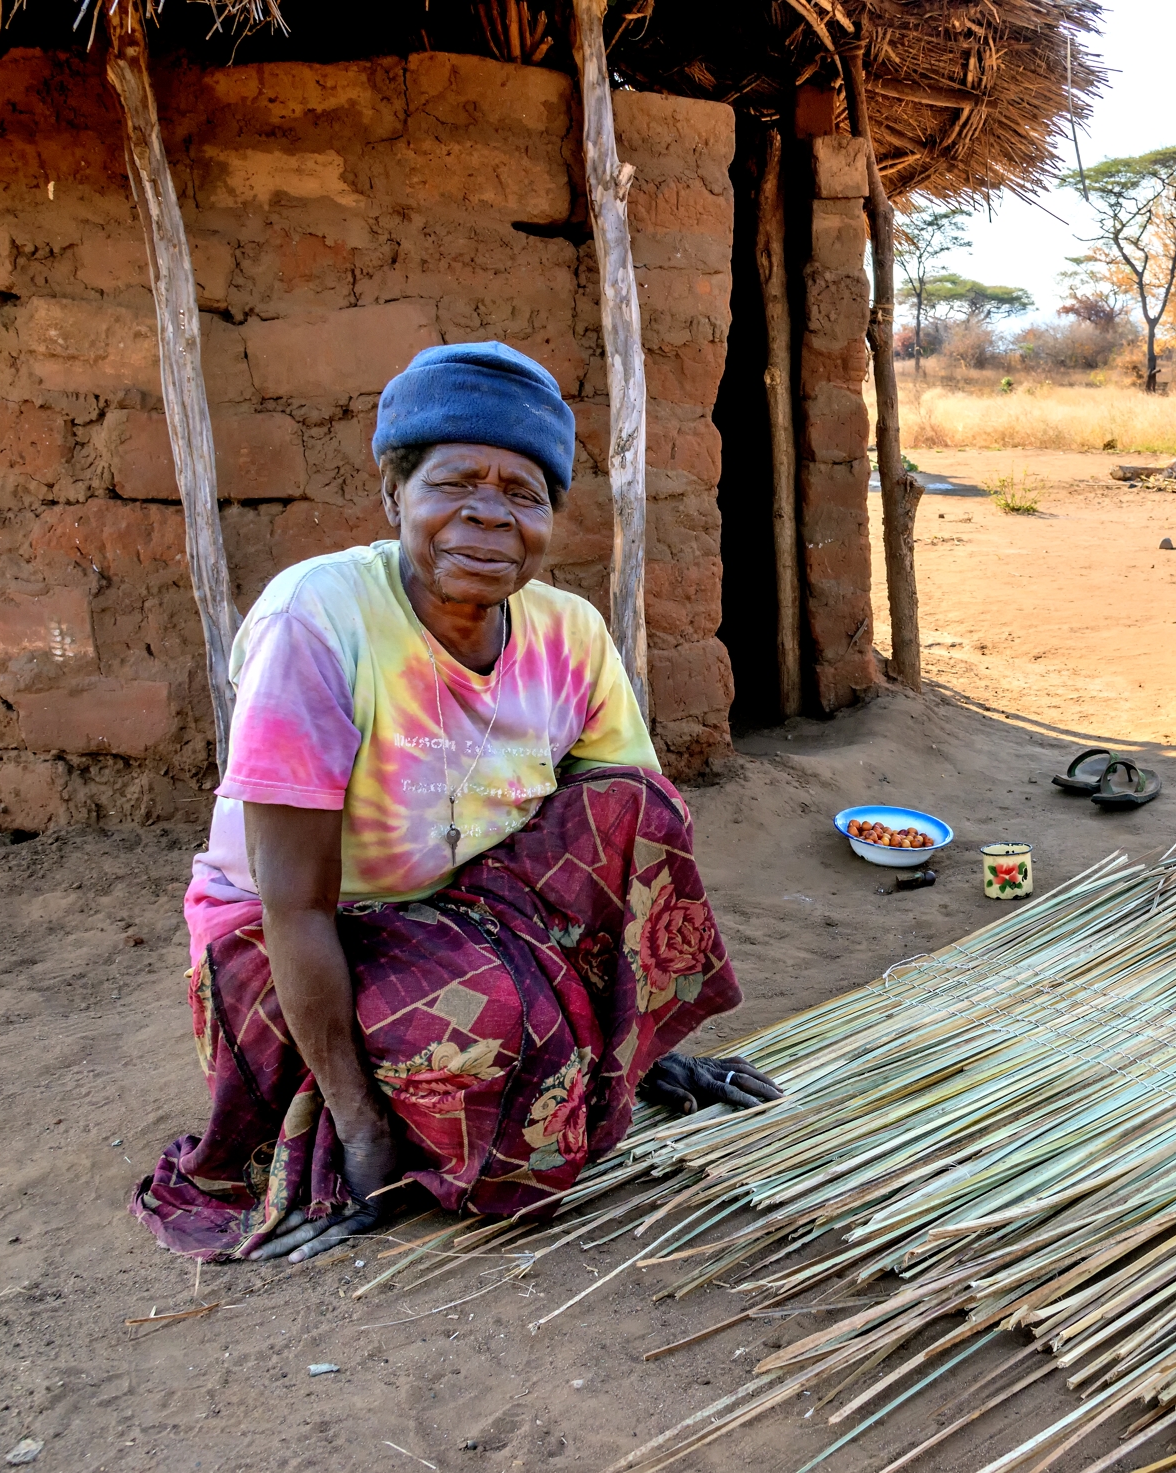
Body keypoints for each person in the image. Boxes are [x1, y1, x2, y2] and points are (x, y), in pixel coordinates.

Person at [133, 342, 779, 1264]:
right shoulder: (314, 621)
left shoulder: (570, 634)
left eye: (524, 492)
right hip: (291, 936)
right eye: (454, 484)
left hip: (461, 910)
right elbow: (292, 903)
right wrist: (358, 1133)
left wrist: (635, 1046)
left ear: (550, 516)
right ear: (392, 493)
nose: (488, 514)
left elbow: (627, 847)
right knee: (503, 1085)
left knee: (640, 809)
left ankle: (584, 1051)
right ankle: (357, 1089)